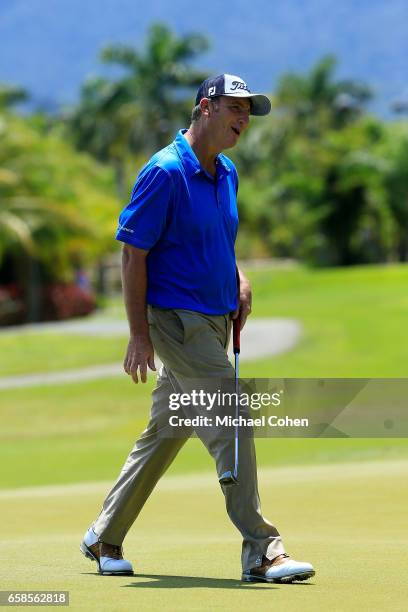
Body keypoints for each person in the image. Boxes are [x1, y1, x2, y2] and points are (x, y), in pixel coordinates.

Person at [80, 74, 315, 584]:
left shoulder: (226, 172)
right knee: (232, 419)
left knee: (166, 432)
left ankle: (104, 535)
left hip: (213, 321)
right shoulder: (164, 172)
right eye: (236, 108)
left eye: (249, 112)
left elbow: (217, 243)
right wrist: (139, 333)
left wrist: (239, 278)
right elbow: (132, 252)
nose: (243, 119)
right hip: (175, 324)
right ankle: (262, 551)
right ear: (205, 108)